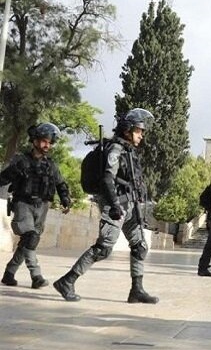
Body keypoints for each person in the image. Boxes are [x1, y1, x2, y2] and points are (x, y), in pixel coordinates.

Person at [54, 109, 159, 303]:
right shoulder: (116, 150)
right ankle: (67, 281)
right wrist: (114, 205)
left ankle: (137, 290)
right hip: (116, 205)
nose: (141, 135)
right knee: (103, 248)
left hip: (130, 206)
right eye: (138, 130)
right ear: (127, 130)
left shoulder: (129, 151)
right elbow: (107, 179)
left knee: (139, 246)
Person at [1, 123, 71, 289]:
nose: (47, 145)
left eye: (50, 142)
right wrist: (15, 171)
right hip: (23, 204)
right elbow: (3, 178)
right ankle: (36, 276)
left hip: (42, 207)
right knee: (30, 237)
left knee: (29, 241)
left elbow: (61, 184)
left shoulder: (51, 165)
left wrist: (65, 199)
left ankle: (9, 273)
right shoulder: (21, 160)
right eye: (44, 141)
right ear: (35, 141)